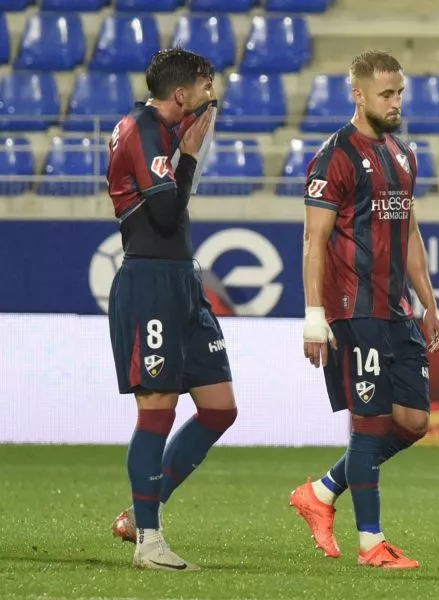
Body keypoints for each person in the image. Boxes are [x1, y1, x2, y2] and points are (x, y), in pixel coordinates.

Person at [290, 49, 439, 569]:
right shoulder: (334, 156)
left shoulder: (403, 154)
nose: (396, 102)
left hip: (396, 309)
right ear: (358, 95)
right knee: (371, 423)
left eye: (400, 92)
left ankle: (321, 491)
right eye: (386, 94)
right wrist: (314, 317)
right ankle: (371, 544)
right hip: (352, 308)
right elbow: (314, 240)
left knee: (414, 421)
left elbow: (410, 233)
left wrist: (429, 303)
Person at [105, 48, 237, 572]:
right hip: (151, 280)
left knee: (219, 407)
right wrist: (189, 153)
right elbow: (163, 211)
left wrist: (187, 148)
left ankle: (141, 512)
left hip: (182, 279)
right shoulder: (142, 129)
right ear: (182, 93)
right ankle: (148, 540)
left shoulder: (160, 131)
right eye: (206, 87)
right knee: (157, 409)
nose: (212, 96)